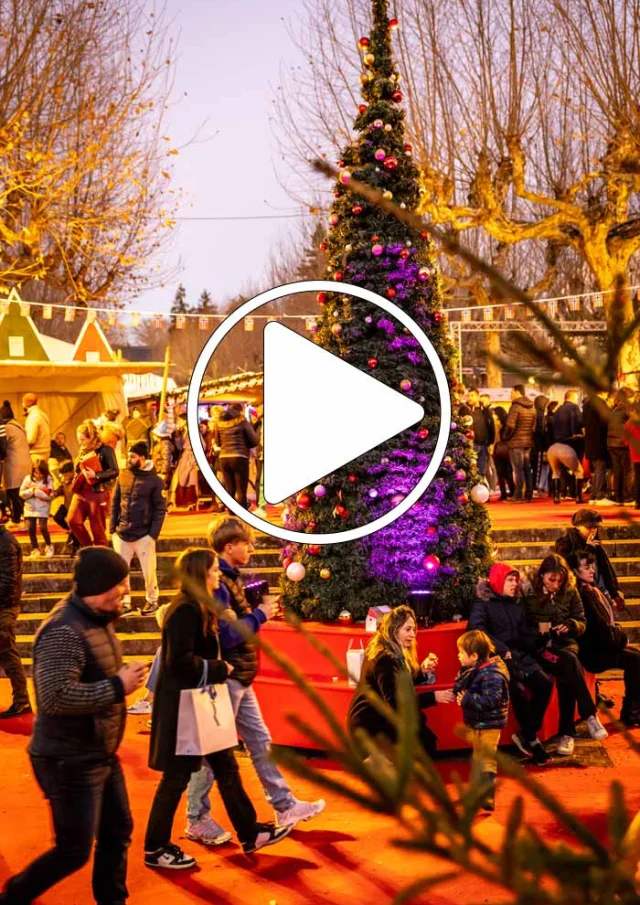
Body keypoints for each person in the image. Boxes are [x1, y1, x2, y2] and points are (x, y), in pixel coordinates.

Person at [0, 547, 147, 904]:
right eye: (121, 583)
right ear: (100, 585)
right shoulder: (63, 631)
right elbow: (55, 698)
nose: (126, 590)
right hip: (68, 759)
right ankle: (14, 896)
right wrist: (117, 686)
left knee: (117, 830)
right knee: (74, 850)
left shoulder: (97, 619)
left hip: (98, 752)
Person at [144, 547, 292, 869]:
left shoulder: (199, 607)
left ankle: (250, 832)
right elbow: (178, 663)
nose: (217, 575)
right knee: (176, 778)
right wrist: (218, 668)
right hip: (186, 708)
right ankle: (155, 847)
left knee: (226, 768)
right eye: (212, 570)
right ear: (200, 573)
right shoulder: (185, 610)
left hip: (200, 705)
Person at [186, 516, 325, 844]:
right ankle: (196, 817)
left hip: (240, 676)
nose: (251, 548)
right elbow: (228, 635)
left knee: (260, 742)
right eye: (246, 543)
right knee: (212, 751)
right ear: (229, 546)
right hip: (228, 676)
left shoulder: (228, 579)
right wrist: (259, 614)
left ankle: (284, 805)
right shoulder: (218, 584)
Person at [467, 563, 552, 764]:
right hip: (496, 659)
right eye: (510, 580)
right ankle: (533, 740)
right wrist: (501, 649)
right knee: (517, 690)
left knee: (544, 683)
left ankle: (527, 731)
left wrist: (541, 640)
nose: (515, 584)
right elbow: (476, 630)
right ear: (498, 580)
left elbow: (523, 635)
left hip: (520, 656)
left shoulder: (516, 604)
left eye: (516, 580)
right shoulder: (482, 603)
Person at [524, 553, 607, 756]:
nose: (556, 584)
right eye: (552, 579)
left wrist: (570, 626)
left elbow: (581, 621)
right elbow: (525, 627)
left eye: (560, 580)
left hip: (566, 644)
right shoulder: (529, 593)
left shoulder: (570, 590)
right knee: (568, 669)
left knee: (568, 664)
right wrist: (546, 630)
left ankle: (569, 732)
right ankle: (586, 719)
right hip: (543, 649)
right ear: (542, 575)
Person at [348, 605, 456, 760]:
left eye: (414, 629)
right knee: (424, 742)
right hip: (370, 729)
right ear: (394, 630)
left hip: (379, 721)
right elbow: (396, 703)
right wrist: (434, 697)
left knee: (426, 741)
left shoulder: (390, 651)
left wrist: (422, 672)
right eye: (407, 629)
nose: (413, 635)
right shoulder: (385, 659)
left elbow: (398, 681)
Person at [570, 551, 640, 727]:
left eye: (592, 566)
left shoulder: (590, 591)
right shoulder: (583, 596)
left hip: (600, 645)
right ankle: (631, 712)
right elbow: (601, 632)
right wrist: (621, 637)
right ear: (575, 571)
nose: (592, 570)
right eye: (586, 567)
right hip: (593, 653)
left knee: (636, 656)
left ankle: (633, 709)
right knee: (636, 660)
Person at [453, 630, 510, 811]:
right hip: (477, 723)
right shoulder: (474, 670)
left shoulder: (491, 674)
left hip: (489, 724)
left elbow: (491, 700)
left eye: (461, 652)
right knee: (479, 758)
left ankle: (487, 796)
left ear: (474, 655)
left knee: (486, 759)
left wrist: (467, 699)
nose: (458, 656)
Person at [111, 441, 167, 617]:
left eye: (133, 456)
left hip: (144, 534)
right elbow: (115, 502)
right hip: (122, 532)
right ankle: (125, 602)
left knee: (149, 570)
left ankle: (152, 600)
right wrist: (112, 528)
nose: (129, 459)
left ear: (142, 458)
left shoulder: (155, 481)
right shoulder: (123, 476)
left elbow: (160, 509)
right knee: (121, 571)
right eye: (128, 455)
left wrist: (153, 534)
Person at [555, 508, 624, 610]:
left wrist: (615, 591)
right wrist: (588, 549)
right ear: (578, 526)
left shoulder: (595, 543)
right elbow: (567, 564)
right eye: (589, 527)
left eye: (595, 527)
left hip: (599, 591)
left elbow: (606, 568)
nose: (593, 531)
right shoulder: (565, 543)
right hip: (581, 594)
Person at [68, 419, 119, 548]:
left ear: (91, 437)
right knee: (73, 520)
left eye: (83, 439)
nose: (80, 442)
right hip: (81, 491)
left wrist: (96, 475)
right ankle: (89, 548)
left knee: (98, 529)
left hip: (98, 492)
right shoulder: (82, 451)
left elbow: (114, 471)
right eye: (79, 439)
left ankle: (101, 555)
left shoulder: (105, 450)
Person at [0, 521, 30, 718]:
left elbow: (8, 581)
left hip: (4, 607)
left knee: (7, 653)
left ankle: (22, 700)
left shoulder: (6, 543)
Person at [213, 403, 259, 510]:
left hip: (224, 458)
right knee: (241, 490)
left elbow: (218, 442)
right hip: (240, 457)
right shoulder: (243, 422)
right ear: (240, 411)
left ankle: (231, 513)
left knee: (230, 489)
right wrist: (245, 444)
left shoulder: (220, 423)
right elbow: (254, 440)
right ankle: (241, 514)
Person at [0, 400, 31, 524]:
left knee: (14, 494)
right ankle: (17, 518)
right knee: (19, 493)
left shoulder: (7, 428)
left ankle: (25, 520)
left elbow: (2, 445)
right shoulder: (19, 425)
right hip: (25, 463)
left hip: (14, 464)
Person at [503, 385, 536, 501]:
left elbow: (510, 425)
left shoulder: (515, 407)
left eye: (511, 392)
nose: (510, 395)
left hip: (516, 442)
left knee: (518, 469)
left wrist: (505, 437)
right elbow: (533, 426)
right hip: (528, 442)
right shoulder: (532, 407)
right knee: (527, 468)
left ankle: (517, 495)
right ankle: (529, 494)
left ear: (517, 392)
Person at [20, 459, 55, 559]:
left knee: (43, 527)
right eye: (36, 472)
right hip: (30, 508)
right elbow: (21, 493)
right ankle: (35, 549)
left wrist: (36, 492)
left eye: (40, 473)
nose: (38, 475)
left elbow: (49, 495)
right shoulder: (28, 479)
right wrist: (32, 490)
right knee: (31, 529)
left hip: (42, 508)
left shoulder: (48, 479)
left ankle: (49, 546)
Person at [583, 390, 610, 504]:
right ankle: (599, 495)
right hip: (600, 440)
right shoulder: (600, 404)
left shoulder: (587, 404)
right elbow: (605, 422)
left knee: (596, 469)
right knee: (600, 468)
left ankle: (594, 495)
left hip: (590, 441)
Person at [607, 388, 632, 504]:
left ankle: (618, 496)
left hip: (612, 443)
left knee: (617, 471)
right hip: (623, 443)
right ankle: (627, 495)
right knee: (627, 471)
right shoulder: (627, 408)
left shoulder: (614, 409)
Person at [466, 388, 495, 479]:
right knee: (471, 471)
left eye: (472, 396)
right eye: (468, 396)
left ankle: (480, 488)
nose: (469, 398)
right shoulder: (466, 410)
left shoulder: (485, 411)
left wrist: (490, 442)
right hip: (471, 445)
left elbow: (491, 426)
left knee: (481, 471)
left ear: (478, 397)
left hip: (483, 445)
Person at [52, 461, 79, 555]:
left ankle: (76, 547)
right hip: (67, 505)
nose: (64, 476)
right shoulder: (64, 481)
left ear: (72, 471)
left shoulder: (77, 480)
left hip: (75, 507)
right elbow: (61, 489)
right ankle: (70, 530)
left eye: (66, 474)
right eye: (63, 474)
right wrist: (56, 493)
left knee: (74, 525)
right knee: (57, 517)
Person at [492, 406, 515, 501]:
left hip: (500, 450)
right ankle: (509, 491)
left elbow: (496, 439)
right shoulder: (505, 425)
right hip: (504, 451)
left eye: (494, 414)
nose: (493, 416)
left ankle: (506, 493)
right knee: (505, 473)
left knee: (502, 473)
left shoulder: (500, 426)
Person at [22, 393, 50, 466]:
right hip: (45, 452)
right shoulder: (43, 414)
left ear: (26, 403)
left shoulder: (33, 417)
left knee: (37, 476)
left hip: (37, 454)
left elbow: (30, 440)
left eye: (23, 402)